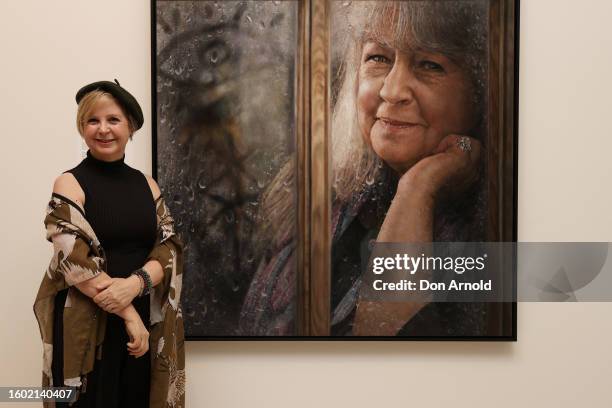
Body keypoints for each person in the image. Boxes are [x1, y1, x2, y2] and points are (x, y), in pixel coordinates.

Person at [240, 0, 490, 336]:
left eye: (429, 64)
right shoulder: (320, 199)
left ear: (480, 91)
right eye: (379, 58)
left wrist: (418, 188)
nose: (392, 90)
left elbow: (384, 341)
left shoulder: (490, 228)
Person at [33, 80, 185, 407]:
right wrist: (128, 313)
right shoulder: (69, 182)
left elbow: (170, 247)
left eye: (113, 120)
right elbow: (72, 258)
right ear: (82, 127)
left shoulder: (147, 185)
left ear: (130, 127)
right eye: (92, 120)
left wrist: (135, 284)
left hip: (143, 324)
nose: (103, 129)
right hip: (85, 324)